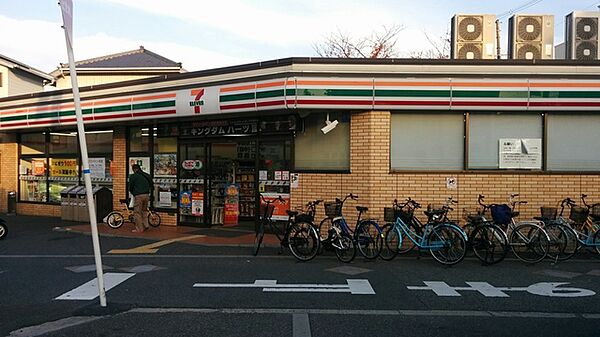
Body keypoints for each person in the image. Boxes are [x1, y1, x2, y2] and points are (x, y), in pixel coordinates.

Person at [129, 164, 152, 232]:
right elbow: (151, 184)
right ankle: (146, 225)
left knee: (137, 212)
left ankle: (139, 229)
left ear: (134, 169)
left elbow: (130, 186)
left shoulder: (133, 176)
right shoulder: (147, 175)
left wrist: (133, 192)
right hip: (147, 195)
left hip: (138, 195)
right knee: (144, 211)